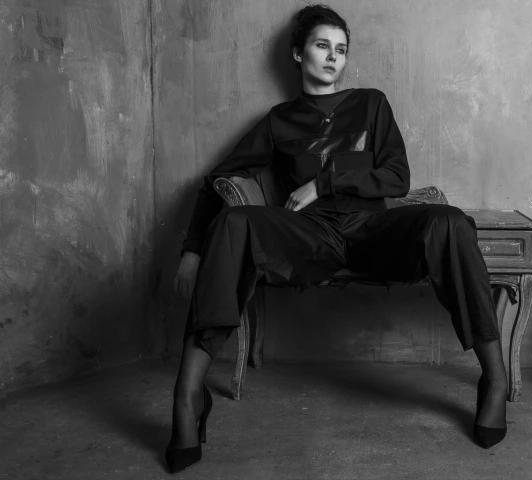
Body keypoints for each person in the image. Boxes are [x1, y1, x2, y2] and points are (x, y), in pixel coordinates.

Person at [165, 4, 509, 473]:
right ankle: (188, 397)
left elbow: (396, 177)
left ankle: (494, 378)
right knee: (234, 222)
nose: (333, 58)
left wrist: (325, 182)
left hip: (373, 230)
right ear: (297, 53)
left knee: (450, 221)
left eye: (341, 50)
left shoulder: (371, 103)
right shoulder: (278, 120)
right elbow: (216, 179)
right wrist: (192, 250)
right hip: (310, 236)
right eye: (322, 46)